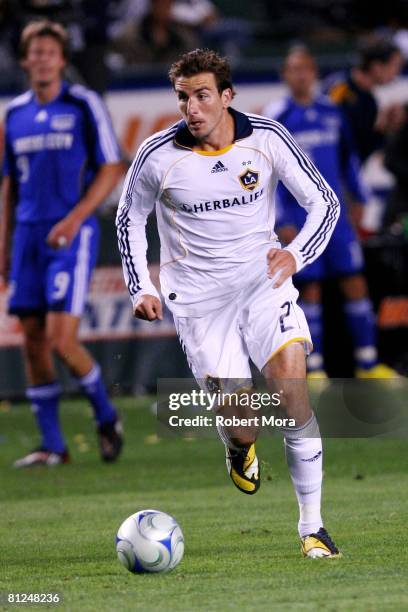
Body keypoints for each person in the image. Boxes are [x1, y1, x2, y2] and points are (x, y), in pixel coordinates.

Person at [117, 48, 341, 558]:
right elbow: (129, 219)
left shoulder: (267, 138)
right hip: (198, 300)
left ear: (226, 96)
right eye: (182, 98)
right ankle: (240, 448)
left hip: (262, 283)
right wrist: (142, 288)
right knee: (242, 421)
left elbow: (323, 202)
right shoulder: (156, 156)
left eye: (201, 96)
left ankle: (314, 526)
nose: (191, 108)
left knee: (292, 392)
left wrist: (294, 255)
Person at [0, 20, 124, 467]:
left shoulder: (83, 103)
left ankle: (107, 417)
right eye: (35, 52)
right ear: (25, 59)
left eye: (50, 51)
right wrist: (4, 245)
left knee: (60, 340)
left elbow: (112, 167)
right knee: (32, 338)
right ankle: (53, 445)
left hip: (72, 235)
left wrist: (75, 219)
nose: (42, 58)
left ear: (62, 59)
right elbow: (10, 186)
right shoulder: (14, 113)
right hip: (29, 236)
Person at [263, 47, 400, 379]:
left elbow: (348, 158)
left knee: (354, 280)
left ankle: (368, 363)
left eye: (306, 68)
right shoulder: (277, 116)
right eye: (294, 69)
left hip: (336, 214)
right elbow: (268, 173)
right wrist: (281, 219)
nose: (301, 75)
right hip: (299, 216)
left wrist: (359, 196)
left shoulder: (331, 110)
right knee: (310, 288)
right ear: (285, 75)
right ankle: (314, 366)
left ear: (314, 74)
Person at [326, 36, 403, 163]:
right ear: (377, 67)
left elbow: (360, 152)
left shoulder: (370, 102)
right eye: (394, 66)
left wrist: (382, 128)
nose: (396, 72)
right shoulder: (339, 89)